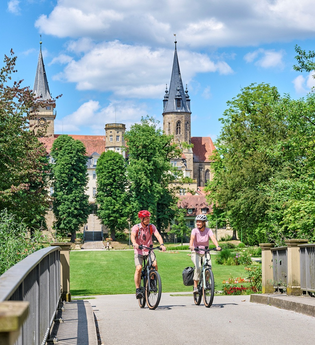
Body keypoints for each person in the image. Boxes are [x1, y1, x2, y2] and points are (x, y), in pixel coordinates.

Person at [131, 210, 166, 299]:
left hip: (149, 250)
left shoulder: (151, 227)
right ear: (141, 219)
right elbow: (132, 236)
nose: (148, 220)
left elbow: (157, 235)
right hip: (139, 250)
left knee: (155, 265)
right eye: (146, 218)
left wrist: (162, 244)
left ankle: (152, 281)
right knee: (138, 268)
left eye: (148, 218)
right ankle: (138, 289)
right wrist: (134, 243)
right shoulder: (136, 227)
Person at [189, 214, 221, 293]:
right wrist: (191, 246)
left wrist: (217, 246)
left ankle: (206, 281)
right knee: (198, 267)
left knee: (209, 266)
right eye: (197, 222)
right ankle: (195, 287)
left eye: (200, 222)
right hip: (195, 251)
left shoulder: (208, 230)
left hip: (205, 251)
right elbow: (192, 239)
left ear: (204, 223)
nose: (198, 223)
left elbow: (213, 238)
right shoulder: (194, 230)